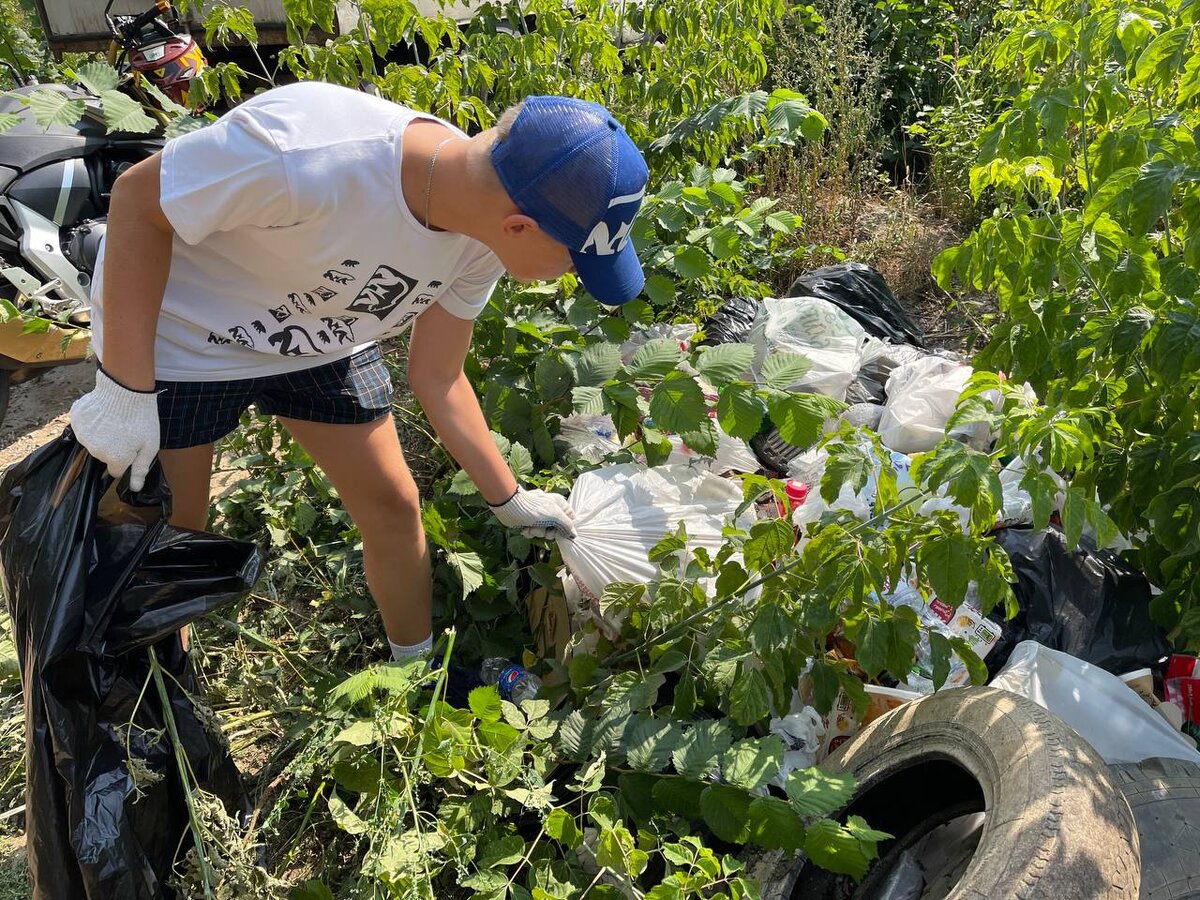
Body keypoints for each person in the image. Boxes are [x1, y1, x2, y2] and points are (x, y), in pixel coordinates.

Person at [68, 81, 649, 661]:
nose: (568, 276)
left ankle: (413, 669)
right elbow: (138, 201)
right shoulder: (308, 153)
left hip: (321, 338)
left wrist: (510, 496)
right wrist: (126, 390)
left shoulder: (482, 238)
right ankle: (162, 680)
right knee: (176, 534)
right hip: (186, 338)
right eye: (573, 261)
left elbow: (439, 375)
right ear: (519, 226)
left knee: (394, 505)